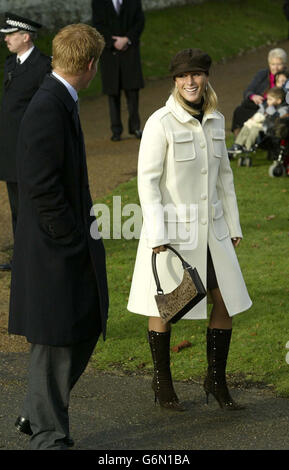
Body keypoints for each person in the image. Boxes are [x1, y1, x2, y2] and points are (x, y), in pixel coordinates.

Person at [127, 48, 252, 412]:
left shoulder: (215, 120)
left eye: (196, 74)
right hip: (172, 235)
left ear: (206, 76)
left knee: (225, 300)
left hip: (213, 231)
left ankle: (215, 379)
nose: (190, 81)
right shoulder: (160, 122)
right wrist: (157, 233)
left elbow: (224, 178)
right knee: (166, 304)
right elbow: (147, 182)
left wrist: (233, 223)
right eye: (183, 76)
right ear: (175, 81)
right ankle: (162, 382)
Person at [9, 23, 109, 450]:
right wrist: (69, 238)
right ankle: (48, 436)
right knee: (56, 341)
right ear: (90, 65)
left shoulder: (58, 97)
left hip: (66, 241)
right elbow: (39, 185)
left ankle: (36, 412)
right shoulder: (48, 105)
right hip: (53, 247)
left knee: (83, 325)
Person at [0, 13, 51, 271]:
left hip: (31, 147)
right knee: (17, 203)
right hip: (10, 148)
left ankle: (40, 253)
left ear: (26, 36)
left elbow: (45, 110)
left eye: (10, 34)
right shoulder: (11, 63)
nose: (6, 38)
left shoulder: (43, 66)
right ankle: (21, 256)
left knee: (36, 201)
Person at [91, 0, 145, 141]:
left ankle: (135, 127)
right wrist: (112, 41)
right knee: (112, 94)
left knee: (133, 91)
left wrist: (127, 39)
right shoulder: (98, 3)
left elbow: (139, 22)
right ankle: (116, 130)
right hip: (110, 53)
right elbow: (97, 25)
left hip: (130, 51)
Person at [231, 48, 287, 137]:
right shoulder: (262, 74)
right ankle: (238, 141)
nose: (275, 68)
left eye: (279, 64)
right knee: (240, 110)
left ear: (284, 64)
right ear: (269, 64)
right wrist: (253, 96)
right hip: (259, 104)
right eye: (273, 64)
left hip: (274, 107)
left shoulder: (285, 77)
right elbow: (248, 90)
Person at [228, 86, 288, 154]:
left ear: (278, 101)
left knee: (254, 130)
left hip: (269, 127)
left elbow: (277, 118)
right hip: (260, 124)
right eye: (267, 99)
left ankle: (248, 146)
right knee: (247, 126)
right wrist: (254, 117)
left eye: (270, 99)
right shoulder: (267, 105)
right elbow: (259, 112)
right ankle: (238, 144)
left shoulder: (283, 109)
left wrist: (270, 111)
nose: (268, 101)